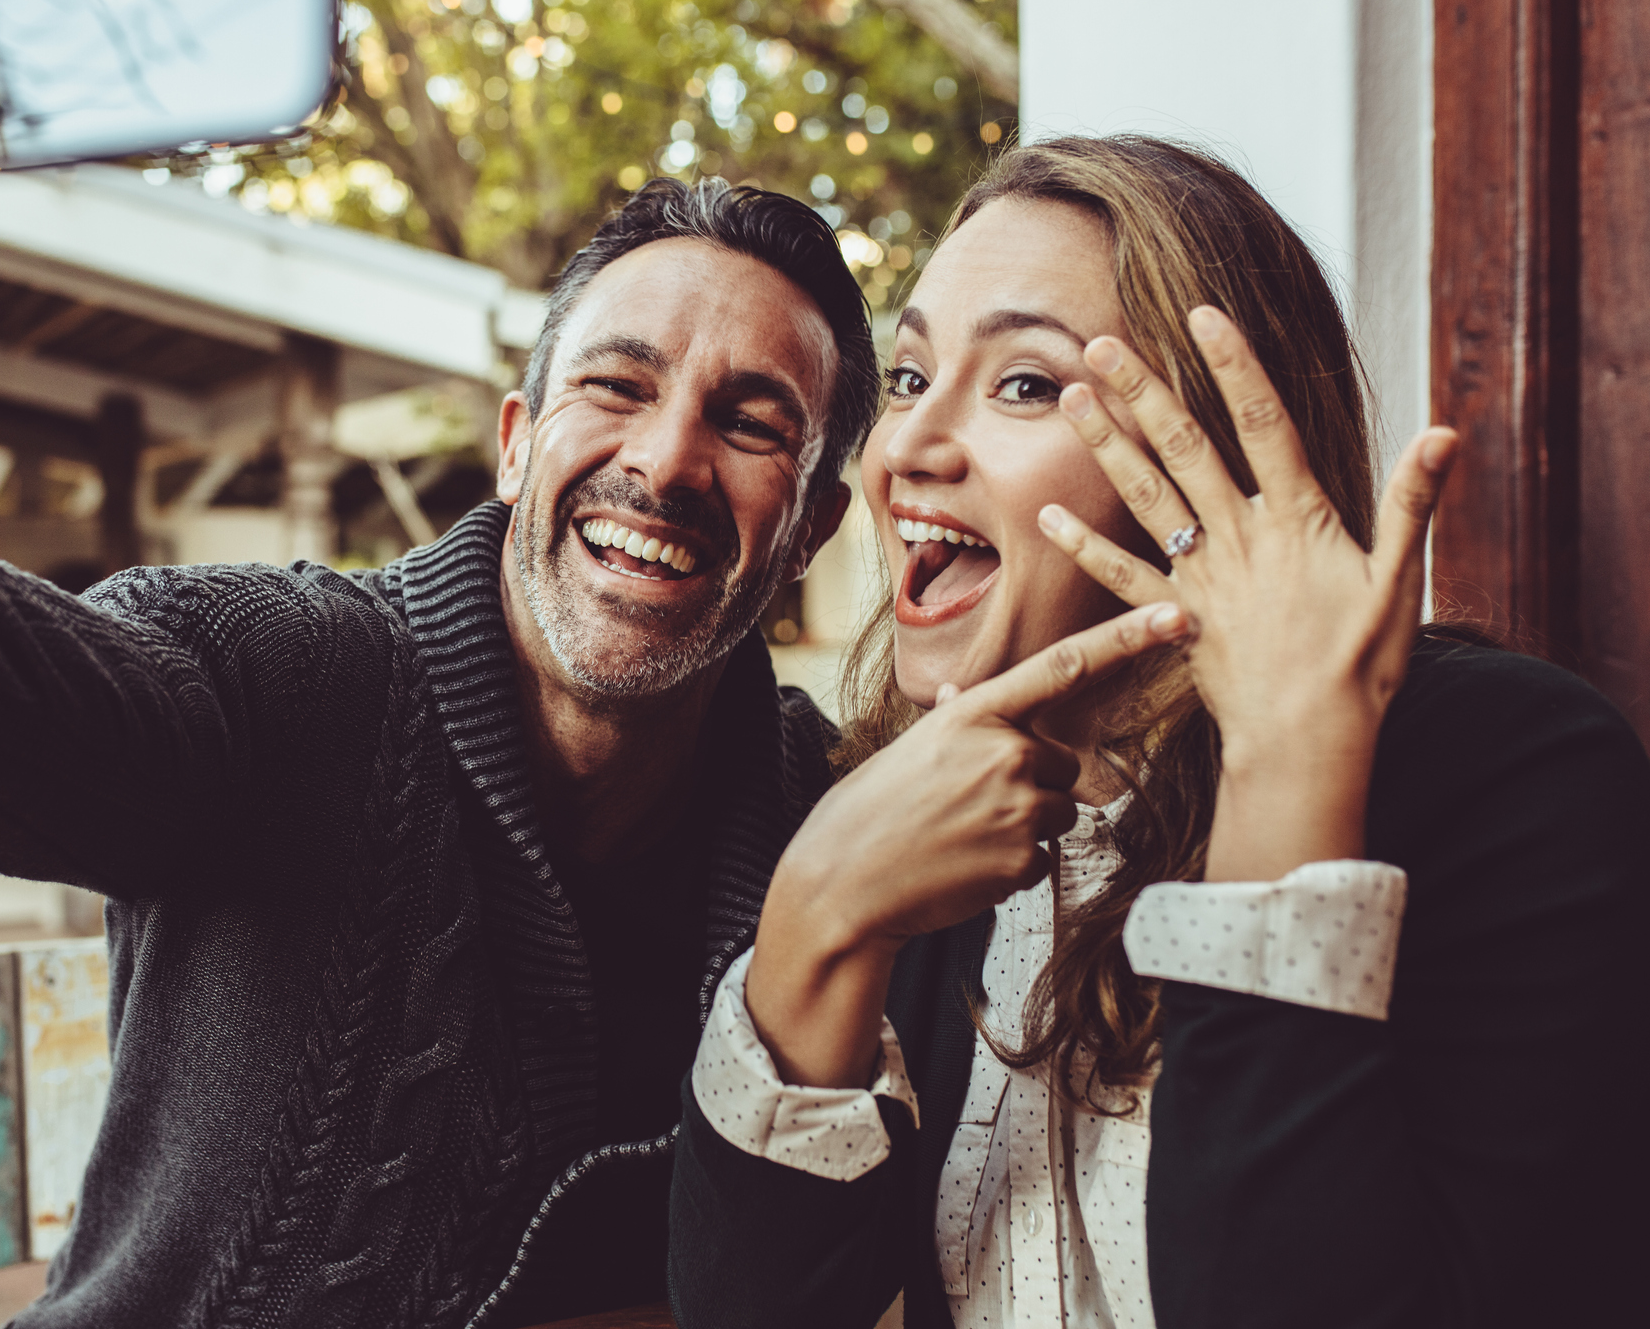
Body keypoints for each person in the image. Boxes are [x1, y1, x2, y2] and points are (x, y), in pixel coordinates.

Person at [0, 0, 1194, 1324]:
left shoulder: (831, 819)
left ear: (818, 517)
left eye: (754, 421)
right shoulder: (278, 673)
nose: (666, 457)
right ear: (518, 440)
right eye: (613, 386)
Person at [667, 136, 1648, 1328]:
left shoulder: (1513, 768)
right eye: (914, 377)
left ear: (1214, 456)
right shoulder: (927, 817)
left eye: (1025, 383)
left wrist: (1292, 762)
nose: (903, 450)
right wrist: (816, 914)